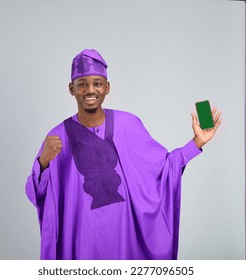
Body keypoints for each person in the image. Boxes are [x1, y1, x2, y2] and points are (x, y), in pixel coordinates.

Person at [25, 49, 221, 260]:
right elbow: (37, 194)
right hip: (82, 246)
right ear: (71, 89)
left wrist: (196, 143)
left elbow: (163, 168)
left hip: (125, 241)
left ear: (107, 88)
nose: (90, 90)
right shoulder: (57, 137)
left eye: (97, 83)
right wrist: (43, 162)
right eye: (82, 84)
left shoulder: (128, 125)